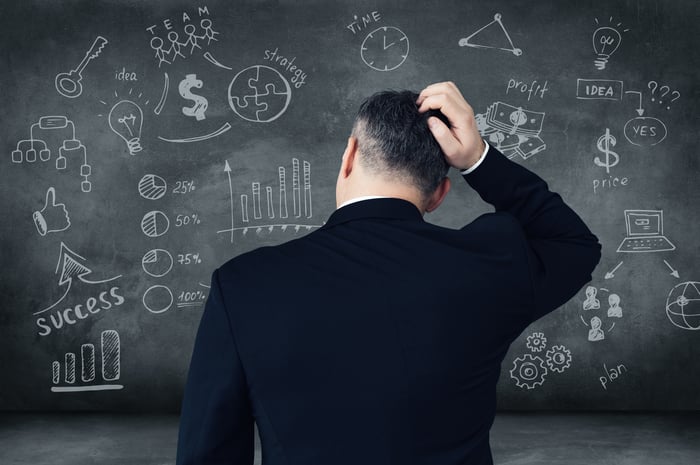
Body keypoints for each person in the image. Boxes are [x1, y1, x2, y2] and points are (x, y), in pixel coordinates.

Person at [176, 82, 601, 465]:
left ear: (349, 156)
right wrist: (479, 161)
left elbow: (207, 454)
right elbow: (574, 245)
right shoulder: (489, 265)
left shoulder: (244, 285)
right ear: (439, 194)